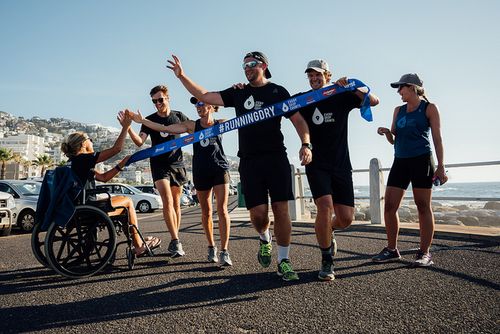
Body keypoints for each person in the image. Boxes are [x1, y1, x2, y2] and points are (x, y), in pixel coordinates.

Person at [166, 51, 312, 281]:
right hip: (250, 161)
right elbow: (204, 95)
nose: (247, 68)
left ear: (264, 65)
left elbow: (298, 120)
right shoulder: (239, 93)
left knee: (282, 210)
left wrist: (306, 144)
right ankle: (264, 238)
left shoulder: (278, 92)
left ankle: (284, 261)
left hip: (276, 158)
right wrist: (181, 75)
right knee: (258, 216)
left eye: (252, 64)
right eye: (244, 65)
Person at [297, 59, 379, 280]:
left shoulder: (340, 94)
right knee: (324, 206)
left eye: (318, 75)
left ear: (328, 75)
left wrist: (352, 86)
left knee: (345, 219)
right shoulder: (304, 99)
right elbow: (282, 110)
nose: (314, 79)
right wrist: (305, 145)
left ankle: (329, 230)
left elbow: (374, 101)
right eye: (310, 76)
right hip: (316, 163)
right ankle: (326, 260)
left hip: (341, 164)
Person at [127, 97, 233, 266]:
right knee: (206, 212)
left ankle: (224, 251)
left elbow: (244, 119)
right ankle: (211, 246)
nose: (198, 107)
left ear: (211, 106)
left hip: (220, 168)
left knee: (222, 210)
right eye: (196, 104)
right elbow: (164, 128)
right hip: (200, 170)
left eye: (201, 103)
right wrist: (143, 121)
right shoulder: (192, 125)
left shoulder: (221, 123)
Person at [372, 73, 447, 267]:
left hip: (422, 160)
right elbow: (394, 140)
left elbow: (437, 139)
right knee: (389, 206)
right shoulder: (398, 110)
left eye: (401, 88)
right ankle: (391, 249)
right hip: (401, 161)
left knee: (423, 206)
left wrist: (441, 166)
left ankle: (424, 253)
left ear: (412, 87)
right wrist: (388, 133)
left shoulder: (429, 108)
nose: (398, 92)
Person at [60, 115, 161, 257]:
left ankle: (136, 242)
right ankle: (138, 246)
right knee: (127, 201)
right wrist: (126, 127)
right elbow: (116, 149)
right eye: (90, 140)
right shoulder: (83, 159)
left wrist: (121, 165)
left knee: (123, 205)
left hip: (76, 208)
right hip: (88, 210)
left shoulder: (74, 163)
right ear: (83, 144)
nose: (92, 142)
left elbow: (104, 178)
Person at [121, 85, 189, 258]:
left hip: (177, 163)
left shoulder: (179, 116)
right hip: (159, 165)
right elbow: (139, 142)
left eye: (160, 99)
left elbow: (195, 129)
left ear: (168, 98)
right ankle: (175, 240)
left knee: (175, 203)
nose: (157, 103)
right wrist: (128, 127)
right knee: (166, 201)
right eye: (154, 101)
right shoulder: (149, 120)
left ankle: (176, 237)